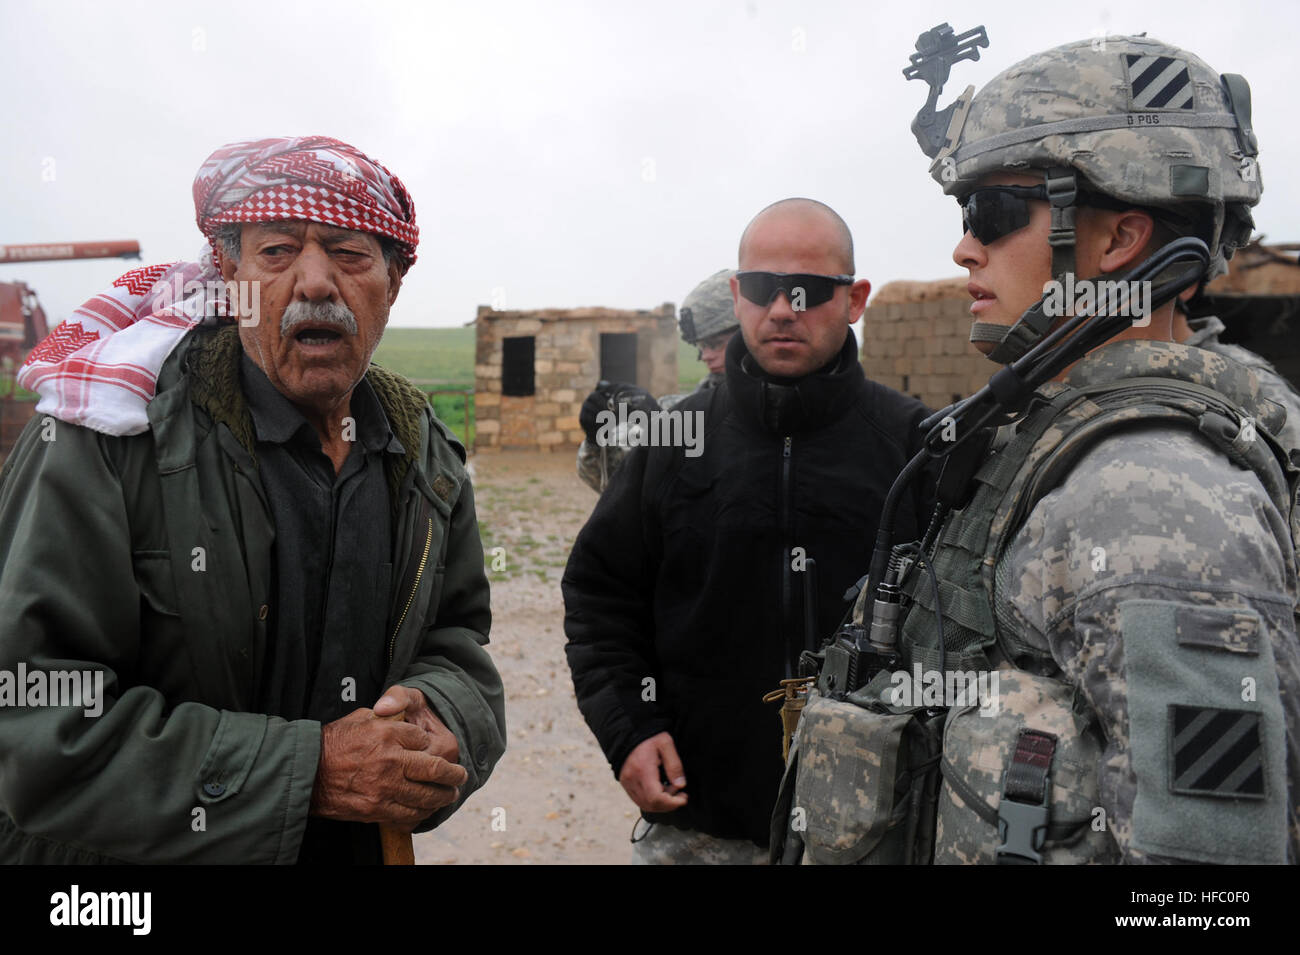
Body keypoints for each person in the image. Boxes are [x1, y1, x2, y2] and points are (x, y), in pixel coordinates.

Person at [781, 32, 1298, 865]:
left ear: (1118, 240)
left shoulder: (1151, 492)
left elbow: (1210, 881)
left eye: (991, 213)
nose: (963, 247)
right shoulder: (1049, 431)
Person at [0, 136, 506, 863]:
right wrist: (311, 772)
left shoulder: (418, 447)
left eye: (350, 253)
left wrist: (444, 714)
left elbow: (458, 641)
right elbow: (33, 720)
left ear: (392, 284)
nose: (315, 283)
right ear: (229, 273)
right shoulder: (105, 435)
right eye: (276, 253)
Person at [563, 198, 935, 863]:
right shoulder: (670, 443)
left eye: (809, 291)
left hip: (876, 837)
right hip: (701, 830)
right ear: (737, 296)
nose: (783, 308)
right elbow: (600, 596)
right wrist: (629, 728)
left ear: (855, 299)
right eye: (762, 289)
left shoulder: (914, 449)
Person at [575, 269, 738, 493]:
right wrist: (598, 440)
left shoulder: (781, 416)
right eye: (702, 346)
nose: (707, 355)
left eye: (716, 343)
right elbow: (613, 486)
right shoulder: (682, 408)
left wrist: (666, 436)